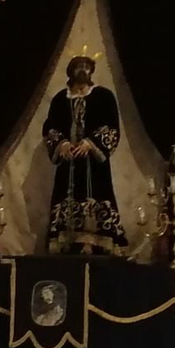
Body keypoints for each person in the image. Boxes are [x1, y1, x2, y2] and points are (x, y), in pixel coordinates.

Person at [42, 53, 128, 253]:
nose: (82, 70)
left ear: (91, 71)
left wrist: (91, 143)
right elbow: (50, 126)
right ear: (70, 71)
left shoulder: (104, 97)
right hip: (69, 162)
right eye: (78, 66)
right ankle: (68, 239)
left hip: (94, 164)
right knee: (67, 196)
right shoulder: (59, 99)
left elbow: (112, 126)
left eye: (86, 66)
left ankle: (96, 241)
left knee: (97, 194)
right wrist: (61, 144)